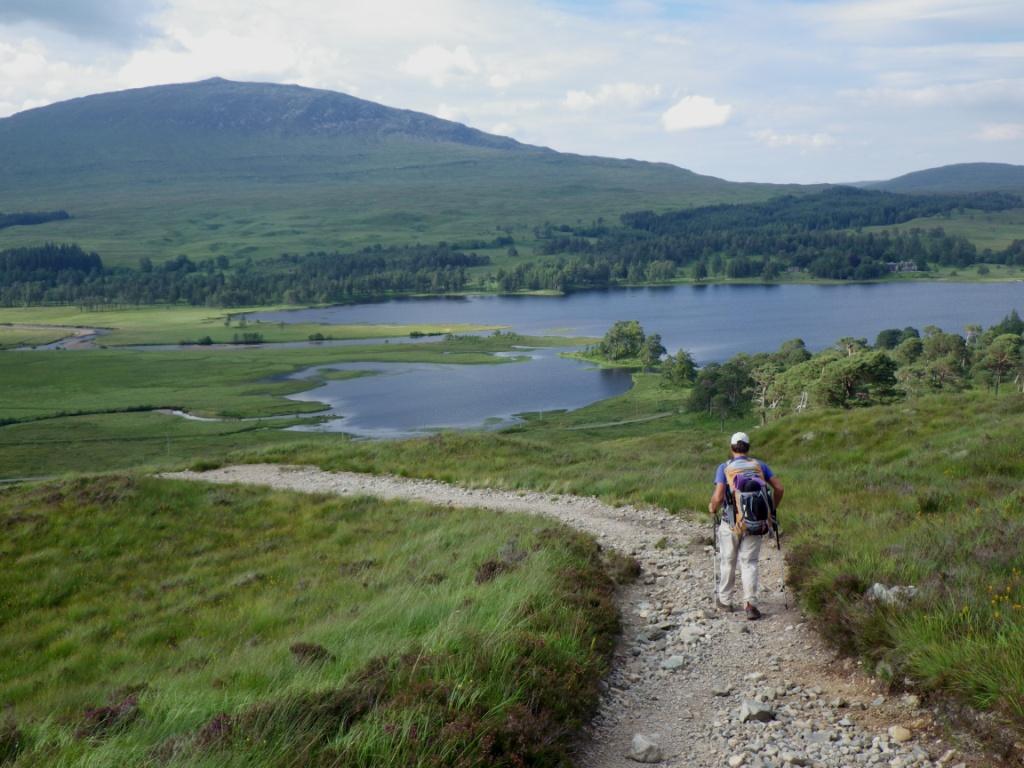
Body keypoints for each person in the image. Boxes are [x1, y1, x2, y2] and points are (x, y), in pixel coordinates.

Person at [708, 431, 784, 620]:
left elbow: (718, 496)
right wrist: (770, 510)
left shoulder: (724, 467)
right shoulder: (760, 466)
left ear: (732, 447)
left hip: (731, 523)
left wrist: (712, 508)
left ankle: (725, 601)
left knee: (728, 561)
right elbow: (779, 488)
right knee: (749, 563)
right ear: (748, 448)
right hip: (755, 522)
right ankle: (750, 604)